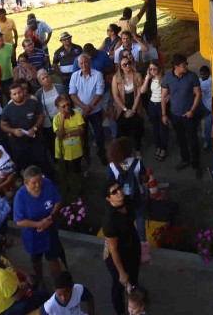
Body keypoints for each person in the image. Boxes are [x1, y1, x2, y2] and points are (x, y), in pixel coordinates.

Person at [0, 233, 48, 315]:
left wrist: (26, 274)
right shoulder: (1, 276)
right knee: (44, 295)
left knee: (34, 279)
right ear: (3, 248)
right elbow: (17, 296)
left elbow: (8, 266)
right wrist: (26, 285)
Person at [14, 166, 64, 290]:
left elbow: (58, 201)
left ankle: (59, 284)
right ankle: (40, 279)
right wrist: (39, 224)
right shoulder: (20, 196)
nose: (38, 185)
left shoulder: (47, 184)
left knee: (53, 257)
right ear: (26, 183)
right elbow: (19, 221)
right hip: (32, 233)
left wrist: (50, 218)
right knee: (36, 259)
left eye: (39, 181)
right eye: (34, 183)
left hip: (49, 227)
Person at [107, 137, 150, 261]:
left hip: (122, 199)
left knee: (126, 222)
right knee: (140, 219)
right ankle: (143, 245)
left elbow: (110, 184)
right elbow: (144, 179)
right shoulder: (137, 162)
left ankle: (129, 246)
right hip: (138, 196)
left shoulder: (112, 166)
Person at [103, 180, 141, 315]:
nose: (119, 192)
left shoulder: (127, 202)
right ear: (109, 199)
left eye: (119, 188)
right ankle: (120, 311)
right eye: (114, 192)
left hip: (131, 248)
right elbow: (112, 249)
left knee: (134, 279)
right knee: (119, 284)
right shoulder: (110, 220)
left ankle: (136, 302)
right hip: (115, 256)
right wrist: (121, 272)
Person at [161, 53, 202, 177]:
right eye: (184, 65)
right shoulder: (168, 78)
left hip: (189, 115)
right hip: (175, 115)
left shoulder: (192, 76)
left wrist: (192, 111)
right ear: (176, 67)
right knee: (180, 139)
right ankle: (185, 159)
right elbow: (163, 97)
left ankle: (195, 162)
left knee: (193, 139)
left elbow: (198, 94)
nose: (186, 67)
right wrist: (164, 114)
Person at [2, 80, 53, 177]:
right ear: (11, 95)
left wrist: (34, 128)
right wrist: (13, 131)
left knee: (43, 163)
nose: (17, 96)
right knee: (25, 166)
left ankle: (49, 181)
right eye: (14, 94)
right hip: (18, 144)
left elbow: (41, 116)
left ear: (24, 91)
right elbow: (3, 125)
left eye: (19, 92)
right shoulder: (7, 109)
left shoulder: (33, 103)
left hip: (36, 141)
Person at [69, 53, 107, 166]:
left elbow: (99, 93)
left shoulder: (98, 75)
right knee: (83, 135)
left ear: (89, 62)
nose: (84, 65)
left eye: (86, 62)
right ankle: (85, 156)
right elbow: (72, 94)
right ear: (78, 64)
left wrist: (89, 108)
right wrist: (84, 108)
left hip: (95, 111)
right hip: (80, 112)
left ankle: (102, 153)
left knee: (99, 133)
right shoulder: (75, 76)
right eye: (81, 63)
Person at [52, 94, 85, 203]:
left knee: (77, 170)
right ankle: (65, 189)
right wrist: (62, 120)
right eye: (63, 106)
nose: (66, 108)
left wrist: (68, 132)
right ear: (58, 108)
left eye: (68, 105)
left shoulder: (77, 114)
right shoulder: (56, 119)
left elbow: (81, 131)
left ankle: (80, 187)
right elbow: (60, 135)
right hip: (62, 151)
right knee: (64, 171)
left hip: (76, 150)